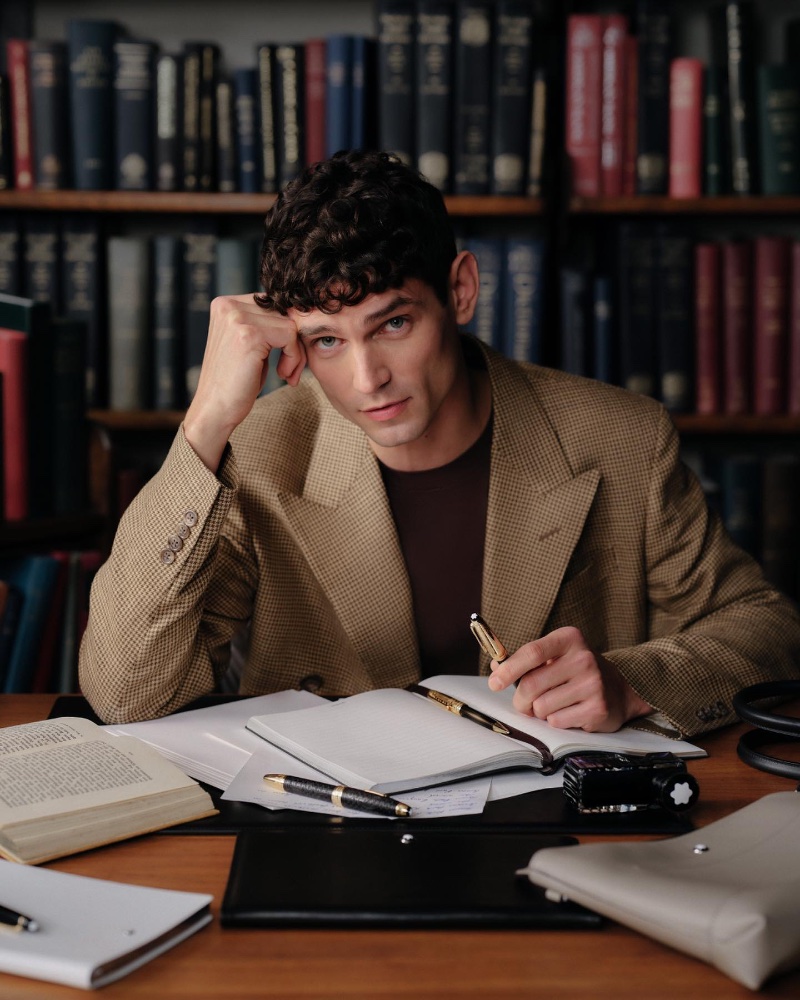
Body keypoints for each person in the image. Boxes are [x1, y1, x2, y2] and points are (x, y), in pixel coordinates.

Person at [79, 149, 800, 731]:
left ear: (459, 290)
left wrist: (634, 681)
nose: (368, 379)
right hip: (318, 833)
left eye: (394, 324)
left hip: (553, 829)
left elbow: (769, 631)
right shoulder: (261, 452)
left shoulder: (623, 440)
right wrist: (206, 422)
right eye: (327, 341)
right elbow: (124, 693)